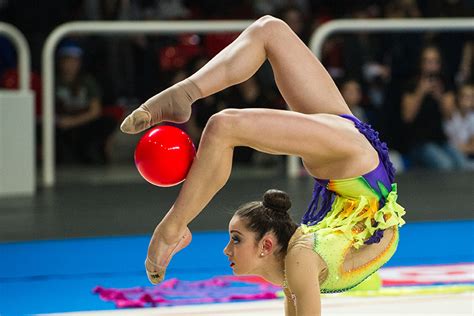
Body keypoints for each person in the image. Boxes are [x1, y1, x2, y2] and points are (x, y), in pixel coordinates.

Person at [121, 16, 405, 315]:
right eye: (235, 238)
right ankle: (172, 228)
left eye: (235, 239)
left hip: (356, 173)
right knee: (223, 125)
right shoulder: (299, 259)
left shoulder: (297, 261)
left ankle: (187, 93)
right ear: (267, 245)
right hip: (355, 169)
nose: (226, 250)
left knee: (269, 31)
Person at [400, 45, 466, 170]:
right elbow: (407, 116)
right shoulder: (411, 85)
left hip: (440, 139)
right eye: (427, 61)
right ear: (421, 63)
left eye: (434, 61)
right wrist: (420, 92)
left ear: (439, 64)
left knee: (463, 164)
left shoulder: (445, 84)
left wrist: (439, 96)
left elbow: (450, 116)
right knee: (446, 165)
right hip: (419, 143)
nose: (431, 65)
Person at [55, 42, 117, 164]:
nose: (70, 65)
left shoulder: (87, 81)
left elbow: (95, 110)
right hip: (60, 122)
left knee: (106, 122)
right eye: (67, 60)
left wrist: (72, 122)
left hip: (83, 123)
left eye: (74, 61)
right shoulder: (54, 81)